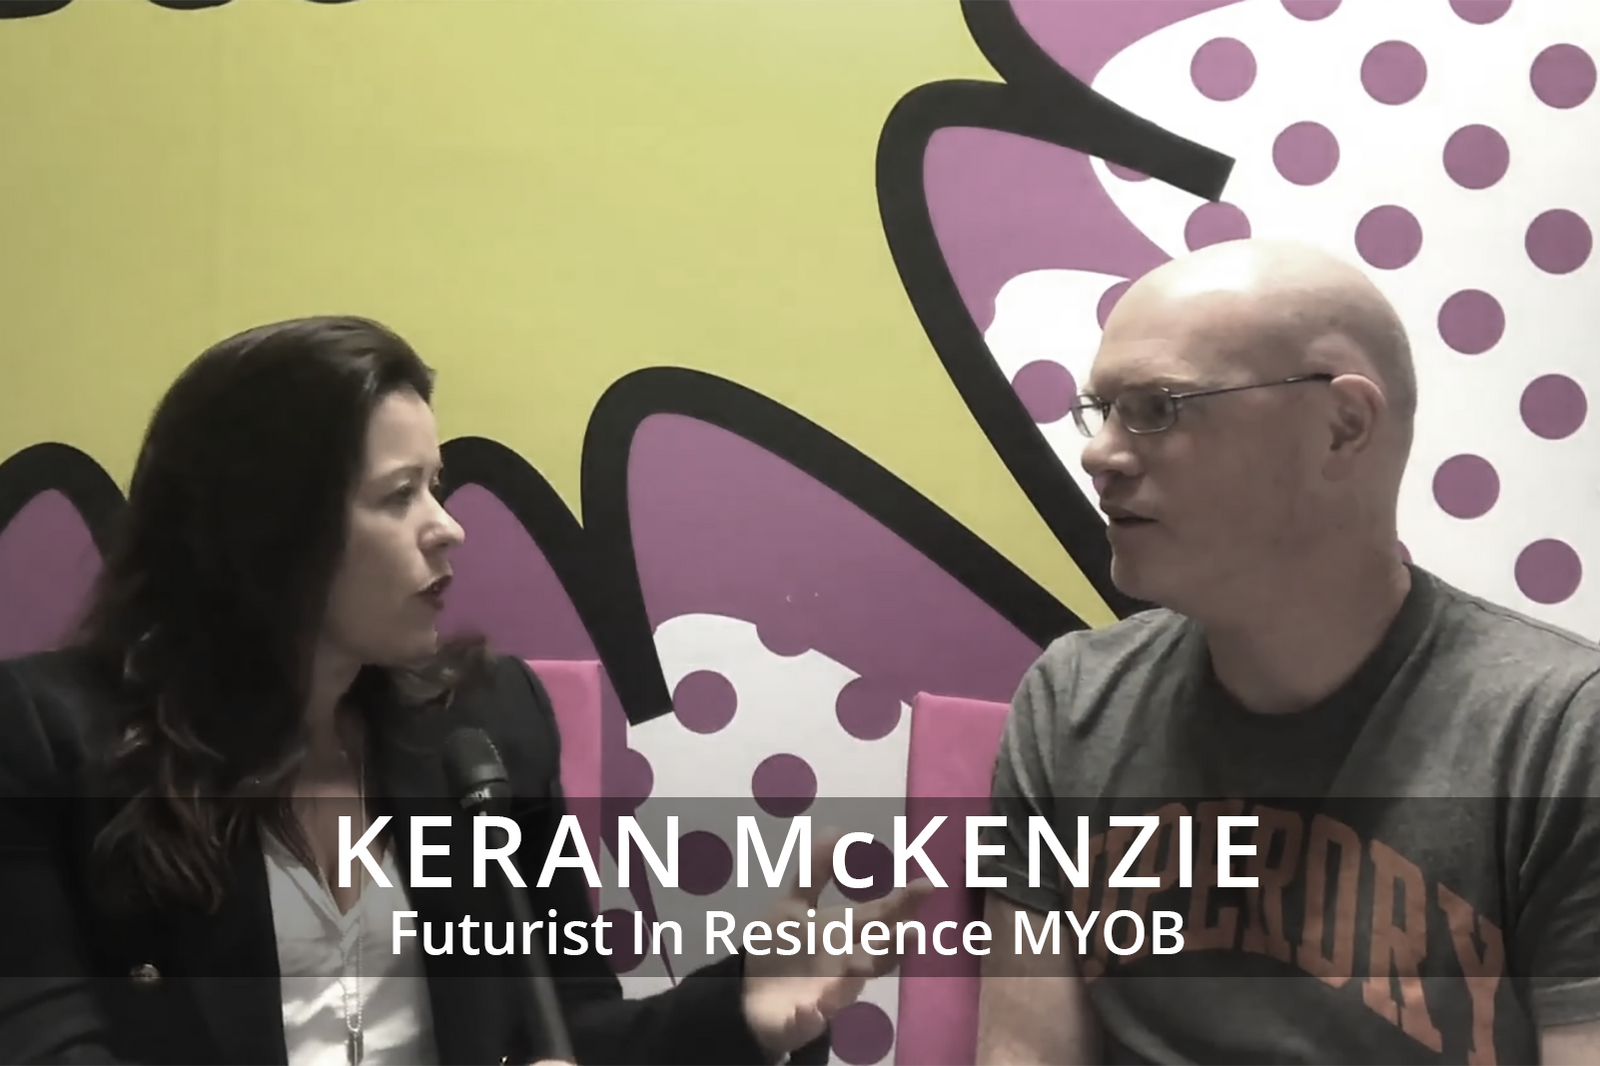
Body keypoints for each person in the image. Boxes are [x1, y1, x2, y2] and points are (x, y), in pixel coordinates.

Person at [0, 315, 930, 1066]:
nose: (448, 528)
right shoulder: (52, 744)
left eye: (436, 487)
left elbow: (568, 1033)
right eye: (399, 494)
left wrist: (740, 1009)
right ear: (262, 531)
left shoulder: (486, 732)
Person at [973, 239, 1600, 1065]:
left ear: (1344, 427)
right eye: (1101, 409)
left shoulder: (1561, 735)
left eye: (1158, 406)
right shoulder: (1070, 706)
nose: (1099, 453)